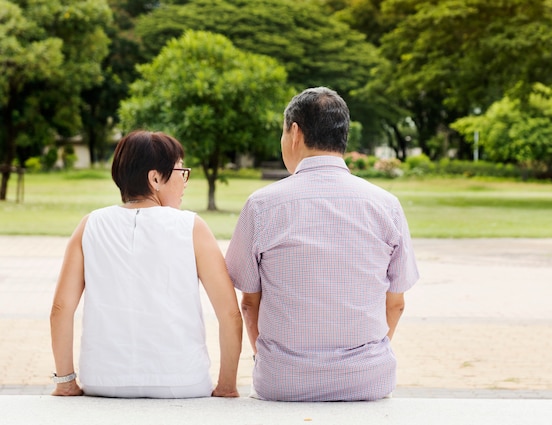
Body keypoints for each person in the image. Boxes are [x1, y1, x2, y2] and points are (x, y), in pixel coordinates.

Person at [225, 87, 419, 402]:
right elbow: (395, 303)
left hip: (282, 382)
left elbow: (249, 303)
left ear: (295, 133)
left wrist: (268, 361)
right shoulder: (387, 205)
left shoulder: (262, 205)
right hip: (368, 380)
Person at [50, 130, 242, 398]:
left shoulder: (90, 225)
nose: (185, 180)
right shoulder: (191, 227)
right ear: (155, 178)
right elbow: (230, 314)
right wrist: (227, 386)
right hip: (183, 380)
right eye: (180, 170)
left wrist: (66, 382)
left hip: (103, 381)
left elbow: (60, 309)